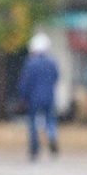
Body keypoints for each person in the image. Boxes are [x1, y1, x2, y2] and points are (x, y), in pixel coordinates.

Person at [17, 32, 59, 162]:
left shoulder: (30, 63)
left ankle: (34, 149)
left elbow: (25, 82)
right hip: (49, 97)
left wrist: (21, 98)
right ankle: (52, 137)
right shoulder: (52, 62)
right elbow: (56, 77)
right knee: (49, 121)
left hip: (34, 98)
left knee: (33, 123)